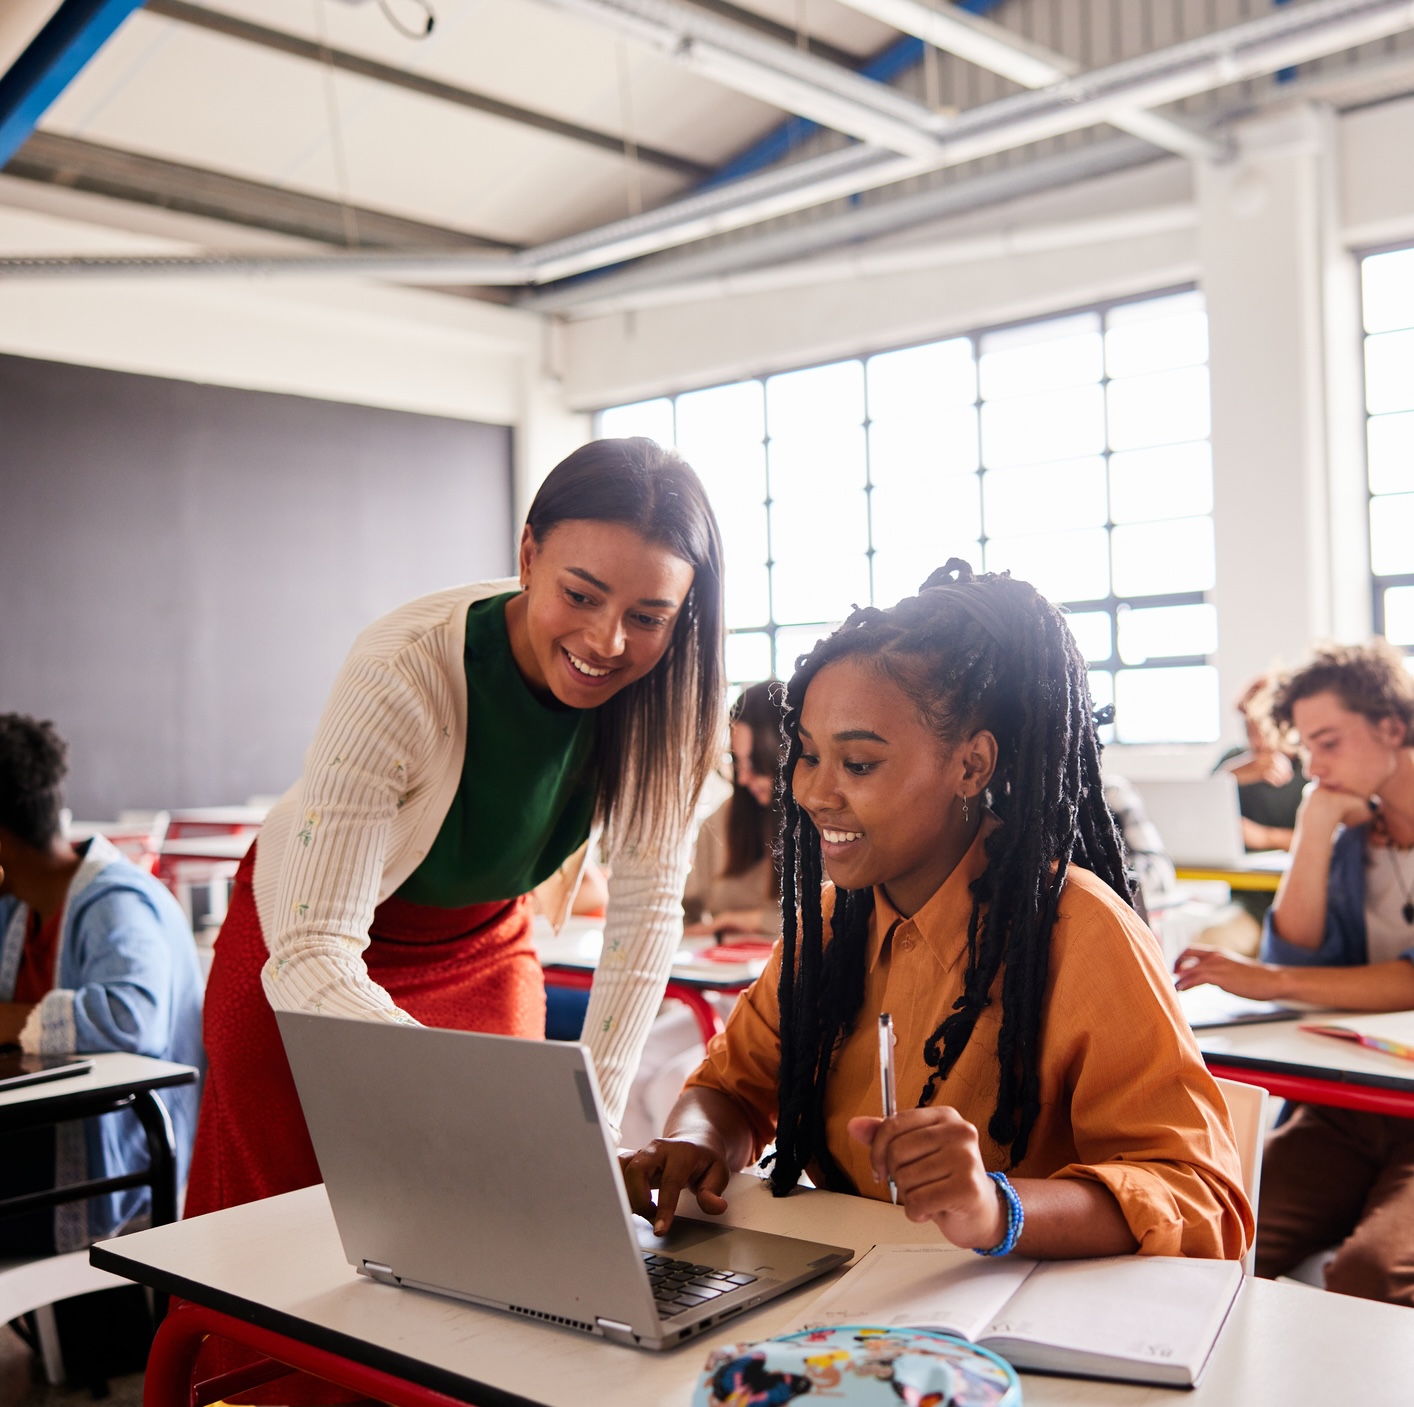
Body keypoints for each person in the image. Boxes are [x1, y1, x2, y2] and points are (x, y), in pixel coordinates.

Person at [622, 562, 1250, 1261]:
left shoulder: (1080, 929)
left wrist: (995, 1206)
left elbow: (1198, 1197)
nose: (814, 792)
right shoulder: (833, 923)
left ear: (972, 765)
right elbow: (729, 1090)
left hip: (1009, 1328)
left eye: (858, 764)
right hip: (847, 1312)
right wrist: (693, 1142)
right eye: (806, 755)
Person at [187, 438, 725, 1218]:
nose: (608, 641)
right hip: (308, 952)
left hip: (482, 949)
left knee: (494, 1226)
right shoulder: (403, 668)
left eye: (647, 616)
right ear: (529, 554)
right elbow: (312, 946)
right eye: (580, 595)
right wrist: (451, 1089)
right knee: (292, 1244)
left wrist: (599, 1122)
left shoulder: (670, 700)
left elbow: (642, 922)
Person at [1175, 641, 1414, 1304]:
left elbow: (1297, 977)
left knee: (1370, 1273)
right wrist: (1313, 824)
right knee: (1216, 1240)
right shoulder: (1349, 838)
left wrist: (1273, 983)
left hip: (1406, 1100)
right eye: (1307, 745)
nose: (1315, 763)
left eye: (1329, 741)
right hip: (1348, 1109)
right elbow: (1295, 955)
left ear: (1392, 726)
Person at [0, 714, 204, 1253]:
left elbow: (129, 1019)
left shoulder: (116, 903)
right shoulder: (16, 908)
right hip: (43, 1135)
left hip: (116, 1164)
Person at [683, 682, 784, 940]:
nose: (743, 779)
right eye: (738, 763)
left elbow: (835, 918)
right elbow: (683, 910)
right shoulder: (721, 820)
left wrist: (747, 920)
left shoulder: (826, 824)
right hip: (724, 974)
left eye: (756, 763)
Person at [1215, 677, 1306, 853]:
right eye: (1249, 729)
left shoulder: (1310, 767)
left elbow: (1329, 840)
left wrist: (1267, 837)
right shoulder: (1234, 760)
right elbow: (1198, 816)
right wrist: (1228, 776)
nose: (1256, 741)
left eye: (1263, 730)